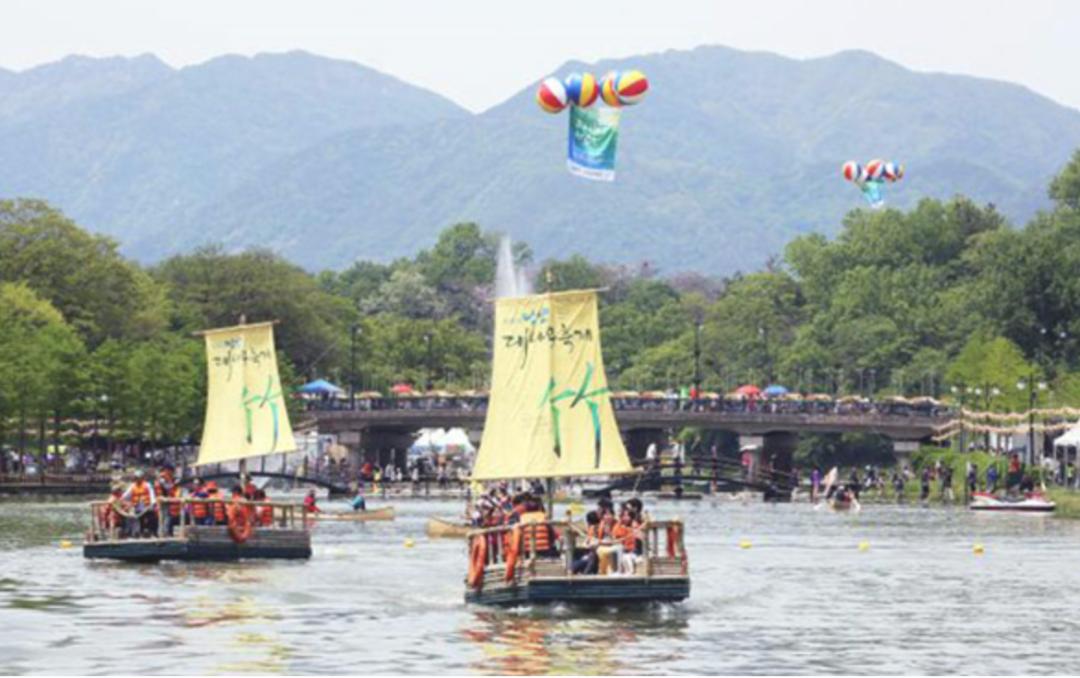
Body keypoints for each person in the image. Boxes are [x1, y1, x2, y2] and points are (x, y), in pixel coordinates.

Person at [123, 470, 158, 537]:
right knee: (140, 521)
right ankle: (141, 533)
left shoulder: (147, 485)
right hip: (137, 507)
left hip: (147, 507)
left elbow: (152, 494)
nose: (136, 479)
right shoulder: (132, 486)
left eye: (138, 477)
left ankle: (153, 533)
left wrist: (153, 503)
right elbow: (126, 496)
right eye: (135, 477)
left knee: (151, 520)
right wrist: (123, 500)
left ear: (142, 477)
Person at [612, 508, 640, 574]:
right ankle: (619, 571)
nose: (624, 518)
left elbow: (640, 540)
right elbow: (615, 537)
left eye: (626, 516)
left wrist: (635, 532)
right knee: (619, 549)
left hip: (635, 552)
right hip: (625, 550)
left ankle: (626, 573)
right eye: (623, 516)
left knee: (626, 556)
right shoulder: (620, 525)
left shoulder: (635, 526)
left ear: (631, 517)